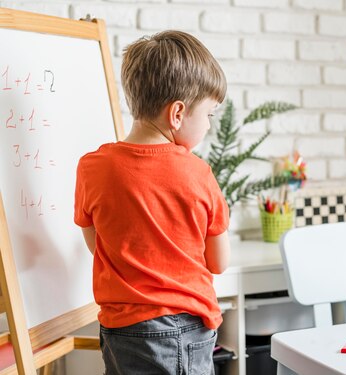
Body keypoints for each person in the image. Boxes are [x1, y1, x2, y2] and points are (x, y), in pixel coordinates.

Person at [74, 30, 230, 375]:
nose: (208, 126)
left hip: (120, 329)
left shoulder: (92, 167)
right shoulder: (199, 173)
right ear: (177, 113)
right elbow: (219, 262)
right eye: (209, 115)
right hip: (185, 328)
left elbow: (97, 243)